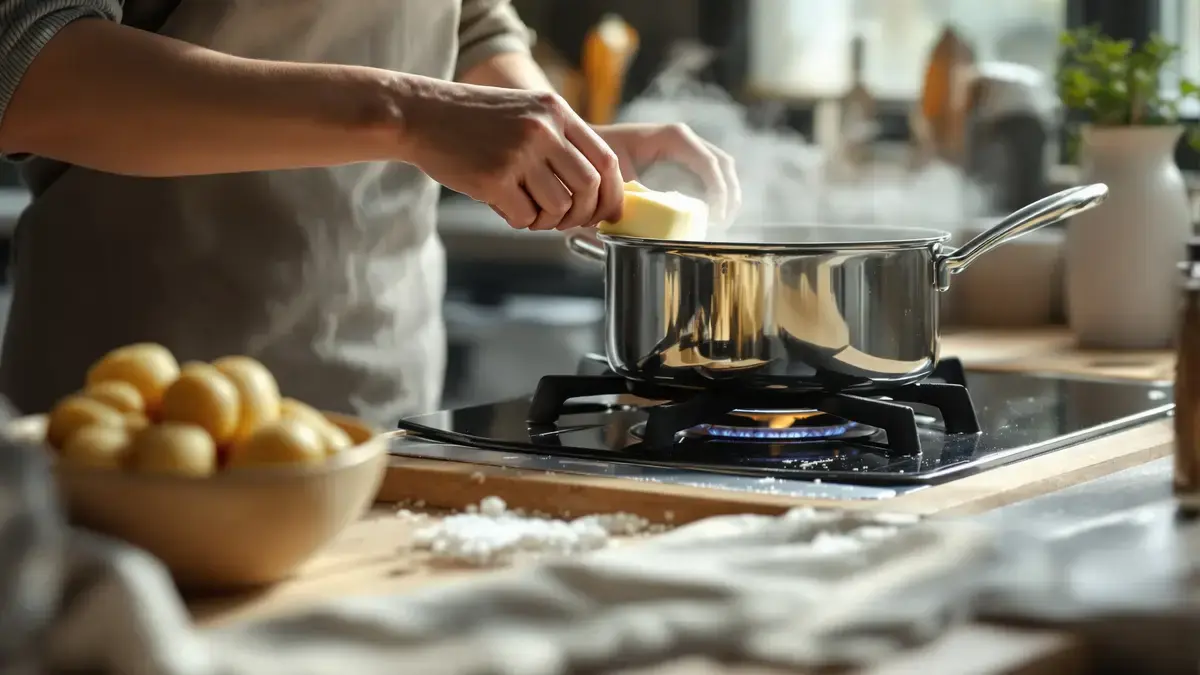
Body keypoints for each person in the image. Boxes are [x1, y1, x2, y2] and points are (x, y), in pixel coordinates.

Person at [0, 0, 740, 425]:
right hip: (137, 413)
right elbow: (28, 70)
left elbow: (472, 21)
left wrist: (550, 138)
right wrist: (405, 112)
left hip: (384, 403)